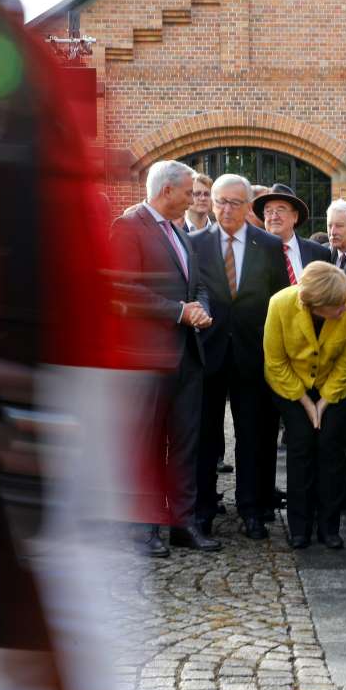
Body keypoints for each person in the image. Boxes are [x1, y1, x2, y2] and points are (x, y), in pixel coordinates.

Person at [110, 161, 219, 555]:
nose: (194, 200)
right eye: (188, 192)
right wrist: (178, 310)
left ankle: (182, 523)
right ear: (167, 190)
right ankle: (143, 528)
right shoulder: (129, 227)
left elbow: (199, 284)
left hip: (188, 356)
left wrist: (200, 308)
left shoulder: (180, 232)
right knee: (147, 444)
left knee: (186, 443)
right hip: (147, 359)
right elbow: (121, 289)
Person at [188, 174, 289, 541]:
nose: (226, 209)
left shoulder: (268, 245)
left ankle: (252, 509)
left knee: (253, 436)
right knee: (205, 436)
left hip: (253, 353)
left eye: (234, 202)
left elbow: (281, 302)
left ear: (249, 206)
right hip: (208, 352)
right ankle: (202, 510)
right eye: (220, 202)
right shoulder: (194, 243)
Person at [263, 262, 346, 549]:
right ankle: (299, 528)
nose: (344, 309)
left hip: (338, 385)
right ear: (317, 306)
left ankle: (329, 528)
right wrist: (307, 403)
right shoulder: (280, 305)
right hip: (292, 385)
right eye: (337, 307)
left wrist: (325, 401)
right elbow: (275, 362)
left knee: (331, 449)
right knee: (300, 447)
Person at [253, 183, 329, 285]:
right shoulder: (253, 254)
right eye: (268, 211)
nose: (274, 217)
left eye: (280, 210)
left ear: (295, 216)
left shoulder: (319, 253)